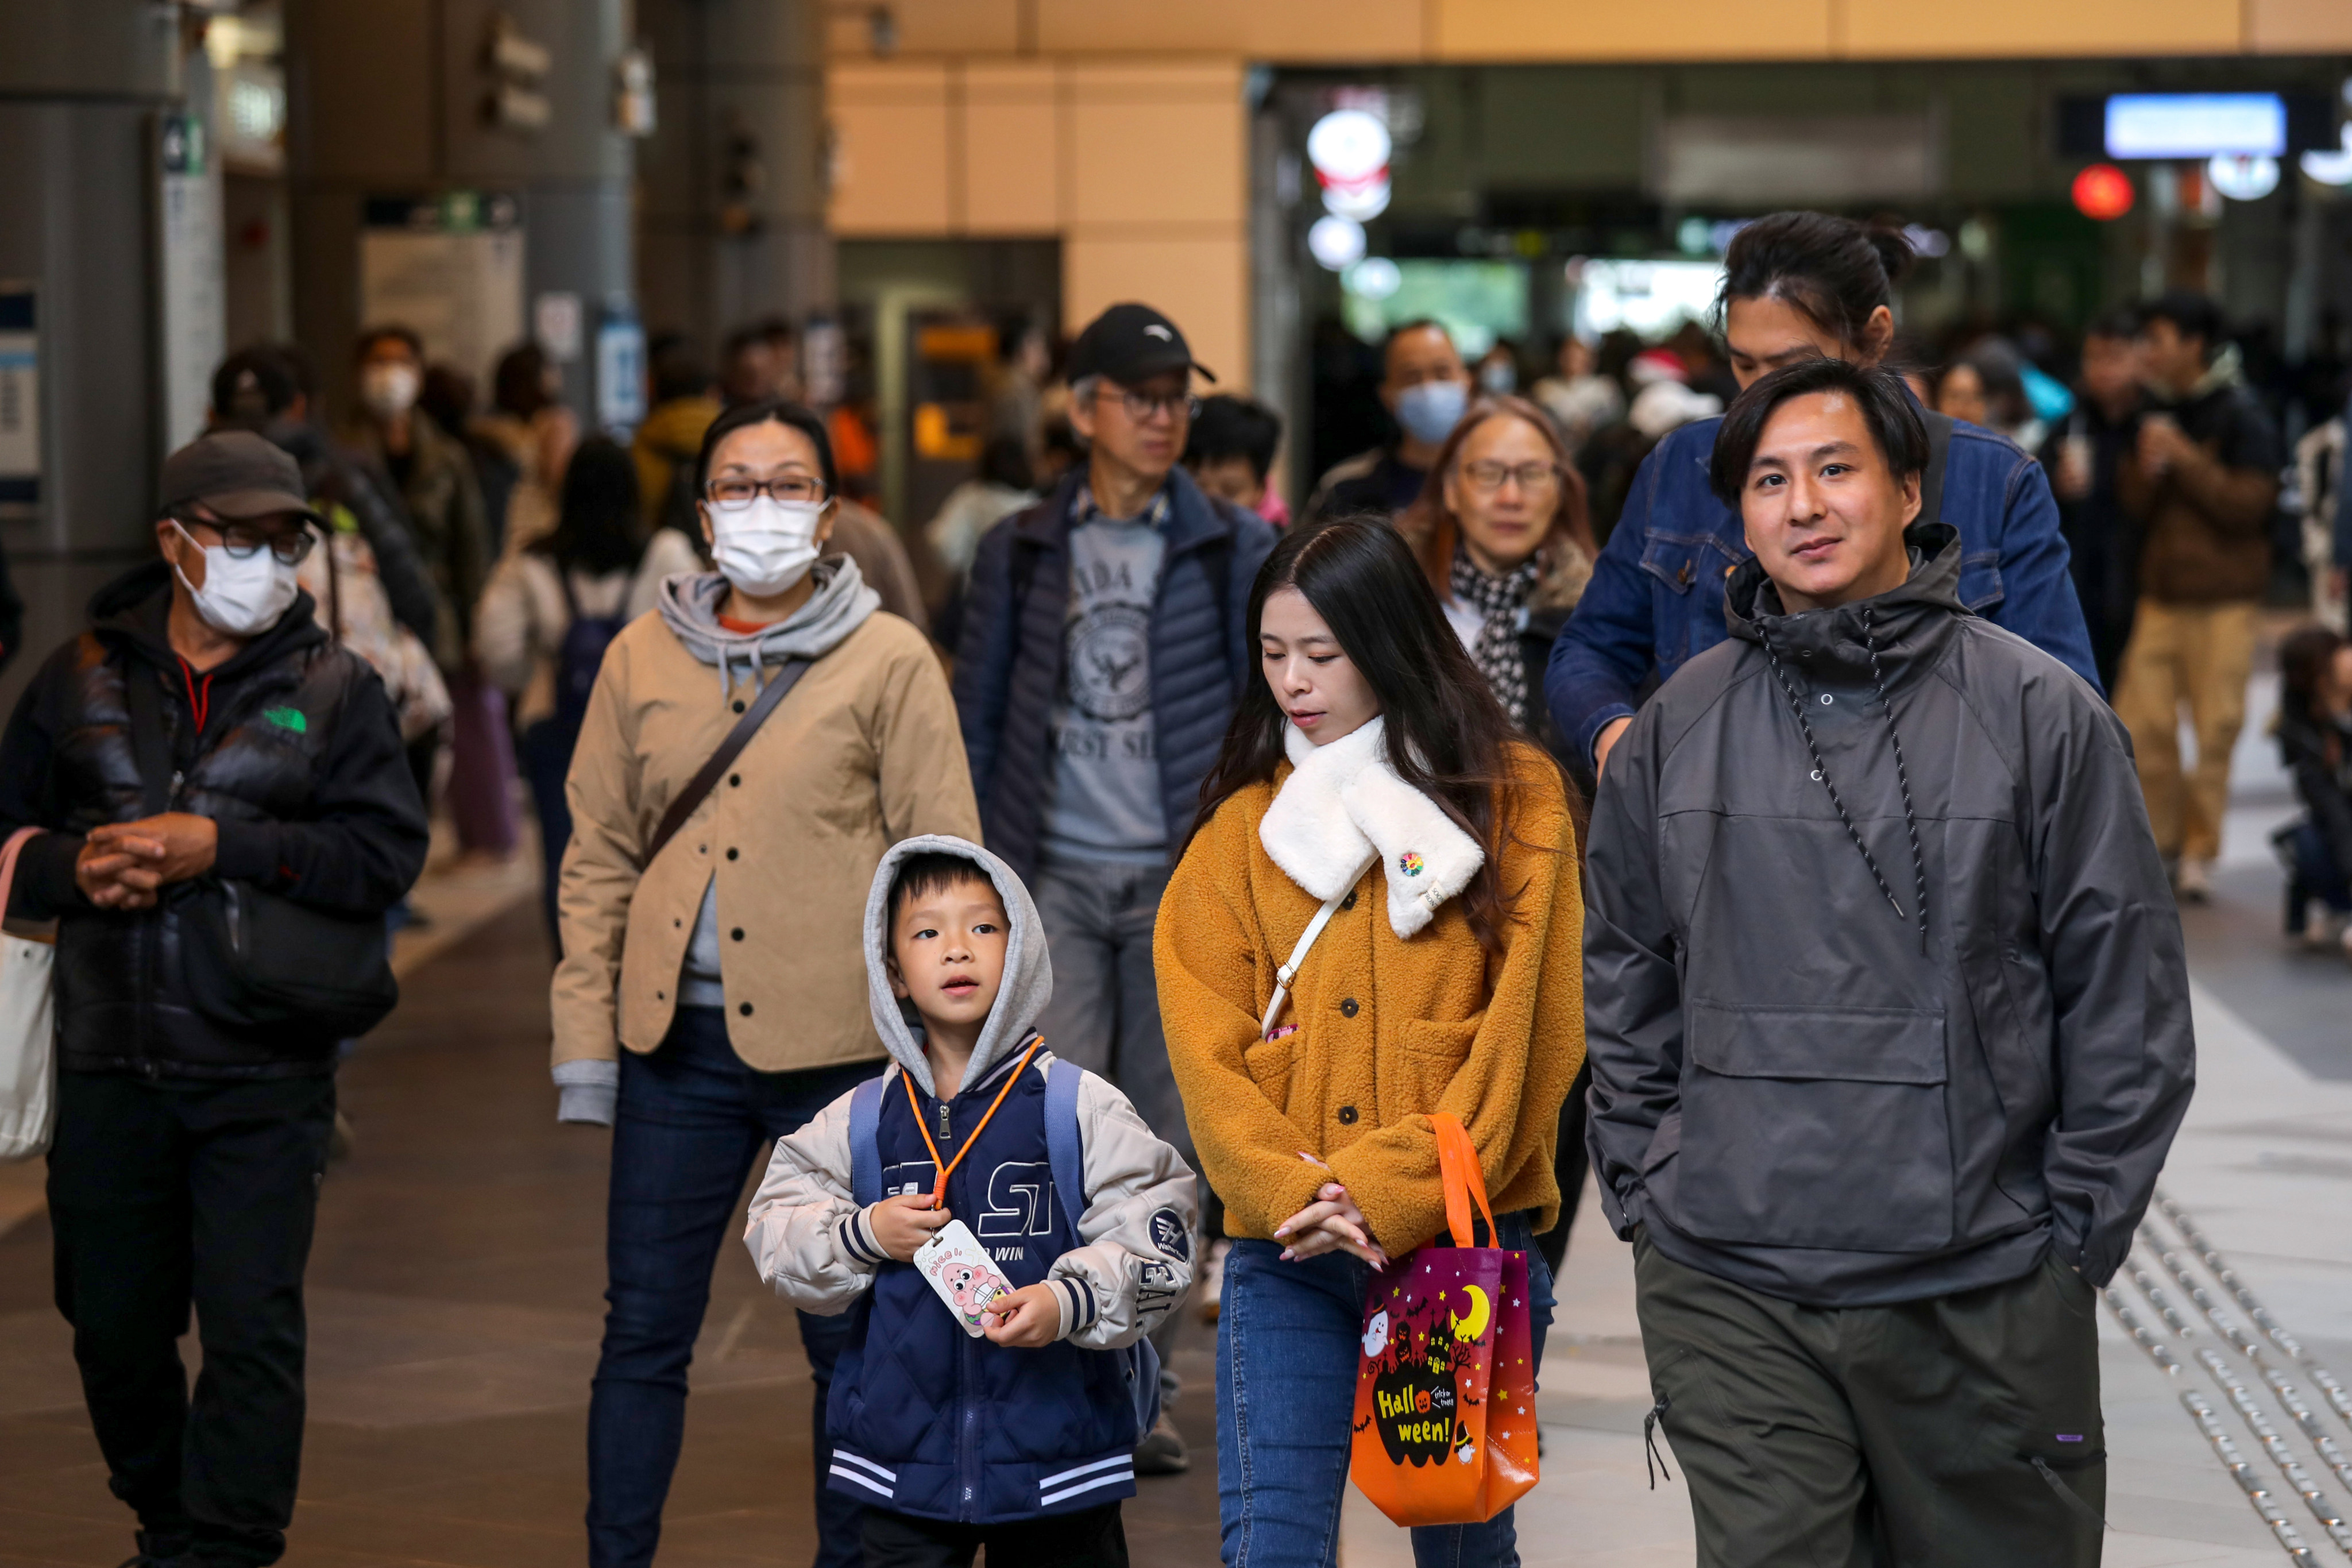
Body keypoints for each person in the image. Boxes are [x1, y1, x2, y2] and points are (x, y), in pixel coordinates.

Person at [1583, 358, 2192, 1567]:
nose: (1802, 505)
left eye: (1834, 469)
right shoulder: (1676, 725)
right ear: (1736, 515)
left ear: (1908, 488)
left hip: (1984, 1288)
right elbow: (1623, 973)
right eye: (1768, 479)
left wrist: (2070, 1235)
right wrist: (1652, 1192)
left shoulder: (2036, 714)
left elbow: (2123, 992)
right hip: (1729, 1278)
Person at [552, 397, 979, 1568]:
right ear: (700, 514)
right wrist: (585, 1041)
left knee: (843, 1341)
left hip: (841, 1058)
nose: (762, 507)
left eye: (788, 485)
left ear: (829, 514)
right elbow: (595, 854)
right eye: (737, 485)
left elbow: (943, 866)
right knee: (642, 1332)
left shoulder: (889, 657)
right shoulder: (641, 654)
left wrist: (948, 1061)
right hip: (671, 1055)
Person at [0, 431, 429, 1568]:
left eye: (283, 539)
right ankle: (165, 1515)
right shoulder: (78, 672)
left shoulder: (336, 690)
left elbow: (382, 856)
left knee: (251, 1330)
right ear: (174, 542)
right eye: (237, 538)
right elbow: (7, 828)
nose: (263, 560)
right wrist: (68, 867)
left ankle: (226, 1546)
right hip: (108, 1059)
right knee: (114, 1329)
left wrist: (224, 847)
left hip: (264, 1064)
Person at [1154, 517, 1582, 1568]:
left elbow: (1527, 1047)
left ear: (1390, 645)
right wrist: (1292, 1189)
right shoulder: (1240, 831)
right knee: (1272, 1548)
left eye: (1323, 655)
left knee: (1463, 1549)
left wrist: (1374, 1187)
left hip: (1459, 1243)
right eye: (1272, 654)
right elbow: (1205, 1044)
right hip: (1290, 1247)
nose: (1293, 681)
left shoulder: (1515, 802)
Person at [953, 301, 1277, 1476]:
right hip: (1054, 882)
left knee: (1165, 1147)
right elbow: (980, 716)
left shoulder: (1231, 545)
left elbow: (1263, 709)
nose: (1164, 418)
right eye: (1140, 398)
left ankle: (1146, 1390)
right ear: (1082, 408)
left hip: (1181, 886)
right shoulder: (1021, 546)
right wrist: (988, 874)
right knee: (1057, 1140)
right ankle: (1076, 1370)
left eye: (1177, 399)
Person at [744, 836, 1198, 1566]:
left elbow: (1160, 1237)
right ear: (893, 971)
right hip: (904, 1469)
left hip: (1060, 1466)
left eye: (983, 928)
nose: (957, 949)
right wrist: (861, 1234)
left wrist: (1068, 1301)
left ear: (1020, 950)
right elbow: (774, 1232)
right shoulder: (860, 1120)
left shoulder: (1078, 1106)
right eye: (927, 932)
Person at [1547, 211, 2100, 789]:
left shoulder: (1990, 477)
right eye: (1743, 364)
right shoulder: (1683, 467)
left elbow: (2064, 708)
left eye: (1792, 366)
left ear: (1875, 338)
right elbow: (1590, 648)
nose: (1761, 392)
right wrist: (1618, 738)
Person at [1402, 395, 1598, 1280]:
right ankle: (1434, 1397)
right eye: (1488, 472)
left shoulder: (1599, 614)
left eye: (1532, 474)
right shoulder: (1402, 607)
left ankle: (1515, 1384)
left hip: (1560, 909)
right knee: (1432, 1145)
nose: (1511, 493)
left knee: (1547, 1146)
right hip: (1422, 909)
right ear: (1449, 487)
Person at [476, 438, 700, 946]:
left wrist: (532, 674)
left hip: (557, 729)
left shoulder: (531, 561)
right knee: (650, 861)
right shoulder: (666, 554)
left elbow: (496, 645)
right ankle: (644, 989)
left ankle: (576, 985)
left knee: (566, 865)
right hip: (648, 729)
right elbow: (701, 640)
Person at [2114, 289, 2285, 903]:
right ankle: (2159, 843)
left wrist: (2186, 461)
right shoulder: (2152, 411)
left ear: (2193, 345)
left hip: (2225, 600)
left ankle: (2200, 850)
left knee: (2215, 730)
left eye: (2157, 340)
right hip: (2160, 596)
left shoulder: (2242, 412)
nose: (2147, 353)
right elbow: (2134, 507)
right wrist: (2144, 468)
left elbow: (2250, 506)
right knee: (2142, 724)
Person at [345, 324, 513, 861]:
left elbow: (472, 550)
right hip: (361, 617)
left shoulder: (446, 457)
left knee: (423, 743)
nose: (389, 373)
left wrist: (474, 629)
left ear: (418, 372)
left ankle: (403, 860)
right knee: (364, 740)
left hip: (430, 619)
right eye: (378, 360)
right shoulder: (341, 452)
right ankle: (377, 857)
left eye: (401, 361)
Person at [2042, 311, 2147, 690]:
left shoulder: (2153, 422)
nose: (2102, 369)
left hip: (2143, 580)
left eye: (2114, 357)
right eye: (2093, 357)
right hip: (2081, 578)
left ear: (2140, 358)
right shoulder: (2070, 424)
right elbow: (2034, 500)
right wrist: (2056, 483)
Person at [1304, 319, 1470, 524]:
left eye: (1442, 373)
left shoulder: (1497, 483)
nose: (1429, 389)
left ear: (1467, 383)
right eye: (1412, 377)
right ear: (1387, 396)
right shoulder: (1345, 488)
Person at [2276, 624, 2352, 956]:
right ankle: (2340, 906)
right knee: (2309, 841)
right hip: (2344, 834)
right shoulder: (2305, 736)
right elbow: (2334, 814)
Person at [473, 341, 580, 558]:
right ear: (540, 378)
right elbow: (561, 483)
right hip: (540, 530)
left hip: (495, 533)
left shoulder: (487, 428)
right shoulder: (555, 423)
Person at [1184, 393, 1289, 526]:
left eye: (1230, 492)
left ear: (1261, 491)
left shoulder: (1281, 545)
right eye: (1197, 490)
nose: (1210, 508)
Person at [1531, 334, 1624, 459]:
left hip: (1594, 455)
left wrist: (1591, 425)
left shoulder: (1605, 387)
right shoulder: (1544, 388)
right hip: (1554, 452)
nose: (1573, 360)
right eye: (1568, 356)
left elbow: (1615, 419)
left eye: (1579, 356)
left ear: (1591, 359)